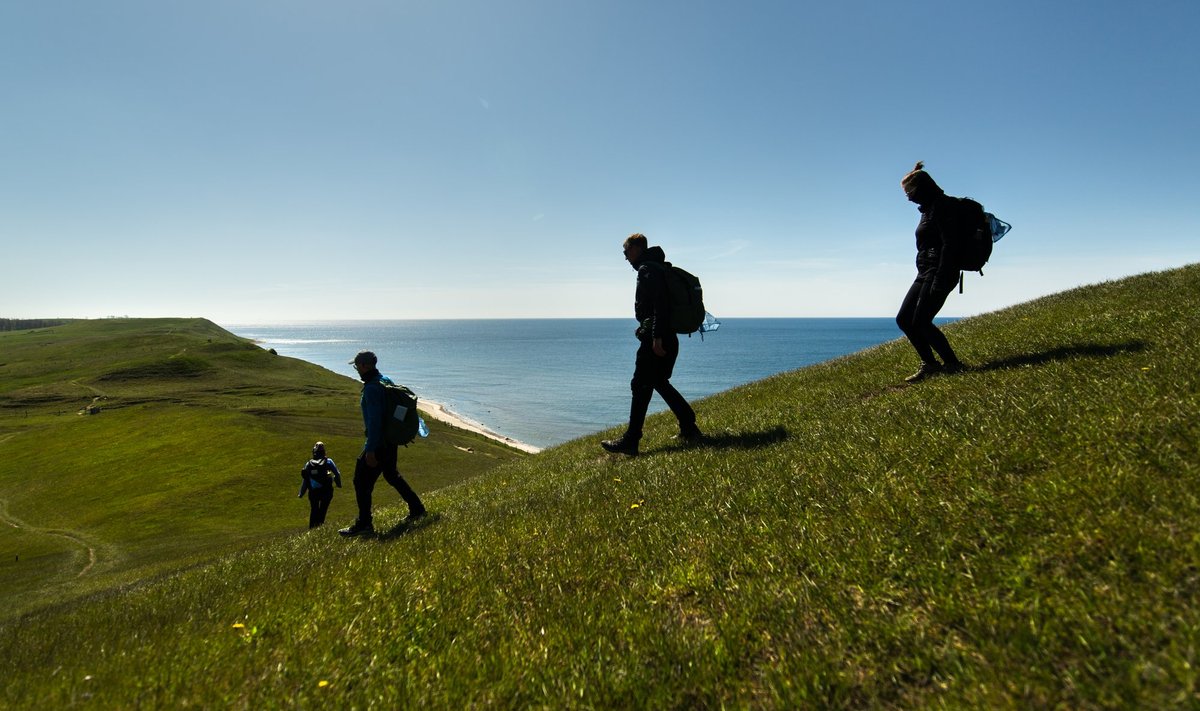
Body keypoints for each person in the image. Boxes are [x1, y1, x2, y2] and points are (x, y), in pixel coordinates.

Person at [601, 233, 703, 456]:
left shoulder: (648, 270)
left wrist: (656, 337)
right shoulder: (658, 267)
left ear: (637, 249)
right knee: (656, 381)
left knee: (640, 384)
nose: (626, 257)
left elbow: (660, 305)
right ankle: (689, 425)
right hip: (667, 336)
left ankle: (631, 440)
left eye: (626, 252)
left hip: (657, 339)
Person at [338, 350, 427, 537]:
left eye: (356, 367)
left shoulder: (371, 388)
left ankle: (364, 524)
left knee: (360, 481)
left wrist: (370, 450)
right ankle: (417, 509)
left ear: (364, 366)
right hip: (390, 440)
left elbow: (375, 421)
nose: (356, 370)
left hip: (378, 443)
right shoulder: (385, 380)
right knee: (391, 475)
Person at [896, 161, 967, 383]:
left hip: (940, 271)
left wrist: (941, 277)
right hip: (924, 272)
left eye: (910, 192)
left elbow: (950, 244)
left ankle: (953, 364)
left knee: (921, 321)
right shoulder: (927, 209)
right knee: (904, 319)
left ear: (923, 187)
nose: (908, 198)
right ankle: (931, 364)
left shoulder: (944, 207)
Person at [298, 441, 341, 529]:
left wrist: (301, 493)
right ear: (324, 452)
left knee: (314, 509)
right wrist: (338, 484)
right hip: (327, 491)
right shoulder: (328, 461)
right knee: (323, 509)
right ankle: (319, 527)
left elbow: (306, 480)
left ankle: (312, 529)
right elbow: (337, 474)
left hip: (313, 492)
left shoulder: (309, 464)